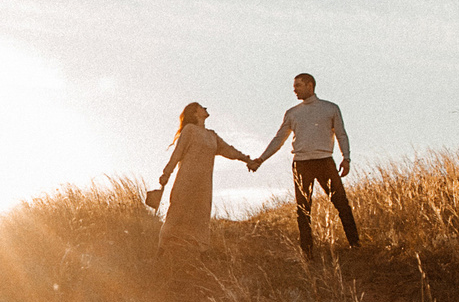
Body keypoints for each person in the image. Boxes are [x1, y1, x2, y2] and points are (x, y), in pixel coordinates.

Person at [250, 72, 358, 258]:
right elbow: (279, 139)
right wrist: (261, 159)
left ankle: (355, 245)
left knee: (341, 203)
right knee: (303, 209)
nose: (294, 90)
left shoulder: (330, 108)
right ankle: (307, 253)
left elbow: (341, 134)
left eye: (298, 86)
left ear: (310, 85)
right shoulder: (292, 113)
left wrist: (346, 158)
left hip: (325, 162)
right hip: (301, 164)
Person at [151, 102, 251, 255]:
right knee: (176, 211)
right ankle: (161, 248)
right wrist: (166, 173)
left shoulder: (212, 135)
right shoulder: (190, 130)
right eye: (201, 107)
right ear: (195, 113)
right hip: (186, 178)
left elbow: (229, 150)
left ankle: (202, 251)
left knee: (202, 214)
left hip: (204, 183)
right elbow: (177, 153)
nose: (205, 108)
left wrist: (248, 160)